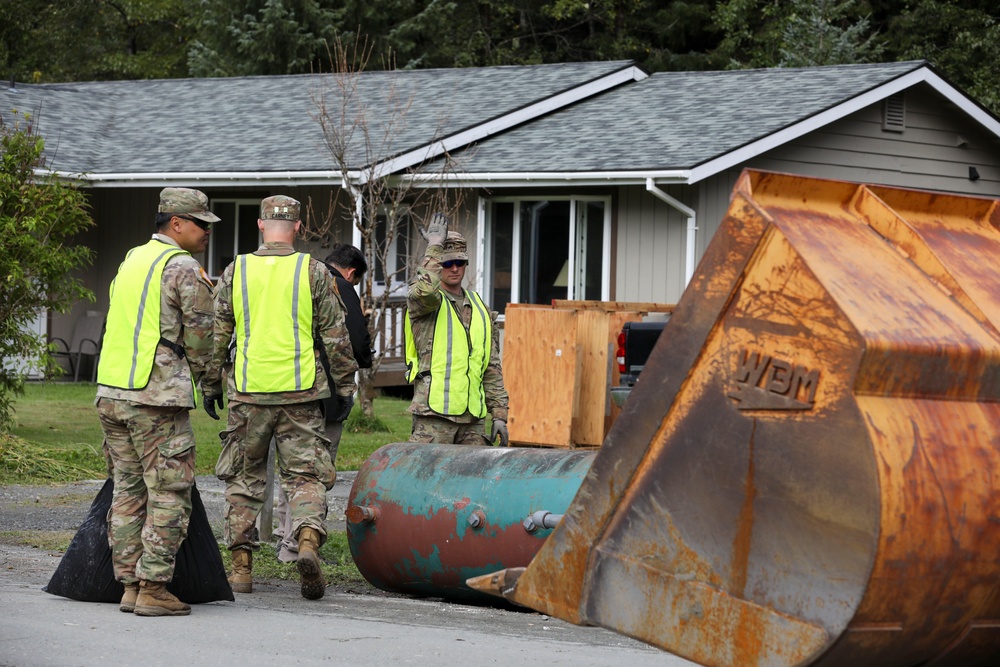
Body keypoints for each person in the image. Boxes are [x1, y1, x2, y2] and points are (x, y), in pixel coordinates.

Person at [200, 195, 358, 600]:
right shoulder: (314, 271)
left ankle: (241, 569)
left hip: (249, 392)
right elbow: (336, 337)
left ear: (259, 225)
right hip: (301, 392)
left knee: (244, 480)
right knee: (305, 476)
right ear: (299, 228)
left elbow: (218, 334)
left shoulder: (237, 270)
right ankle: (306, 541)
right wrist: (344, 387)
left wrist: (210, 383)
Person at [95, 187, 218, 617]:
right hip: (156, 395)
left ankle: (128, 585)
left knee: (127, 490)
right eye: (201, 224)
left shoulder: (132, 259)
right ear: (176, 224)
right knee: (169, 491)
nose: (207, 231)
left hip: (112, 391)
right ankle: (154, 586)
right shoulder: (182, 267)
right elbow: (201, 337)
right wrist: (210, 382)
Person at [274, 242, 371, 563]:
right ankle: (297, 543)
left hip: (280, 388)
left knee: (289, 466)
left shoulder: (294, 279)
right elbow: (355, 342)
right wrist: (361, 363)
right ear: (352, 273)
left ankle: (281, 531)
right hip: (325, 392)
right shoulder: (340, 287)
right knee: (314, 471)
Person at [404, 213, 509, 445]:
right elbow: (424, 291)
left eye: (459, 262)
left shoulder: (480, 306)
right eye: (447, 263)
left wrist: (499, 413)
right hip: (434, 417)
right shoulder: (427, 301)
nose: (454, 268)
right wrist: (433, 248)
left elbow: (491, 365)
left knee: (473, 480)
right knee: (428, 479)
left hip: (473, 421)